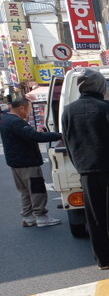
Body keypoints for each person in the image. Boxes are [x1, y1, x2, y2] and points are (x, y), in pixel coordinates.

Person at [62, 69, 109, 270]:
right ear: (101, 86)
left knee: (94, 216)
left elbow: (68, 141)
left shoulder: (68, 111)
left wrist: (80, 165)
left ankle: (102, 260)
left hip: (86, 170)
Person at [0, 97, 63, 228]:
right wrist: (60, 135)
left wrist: (35, 132)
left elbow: (27, 136)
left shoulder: (5, 119)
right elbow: (34, 137)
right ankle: (41, 216)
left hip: (16, 163)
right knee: (37, 190)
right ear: (21, 108)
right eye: (28, 109)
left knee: (25, 191)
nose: (29, 112)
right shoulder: (17, 122)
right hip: (27, 162)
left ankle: (28, 217)